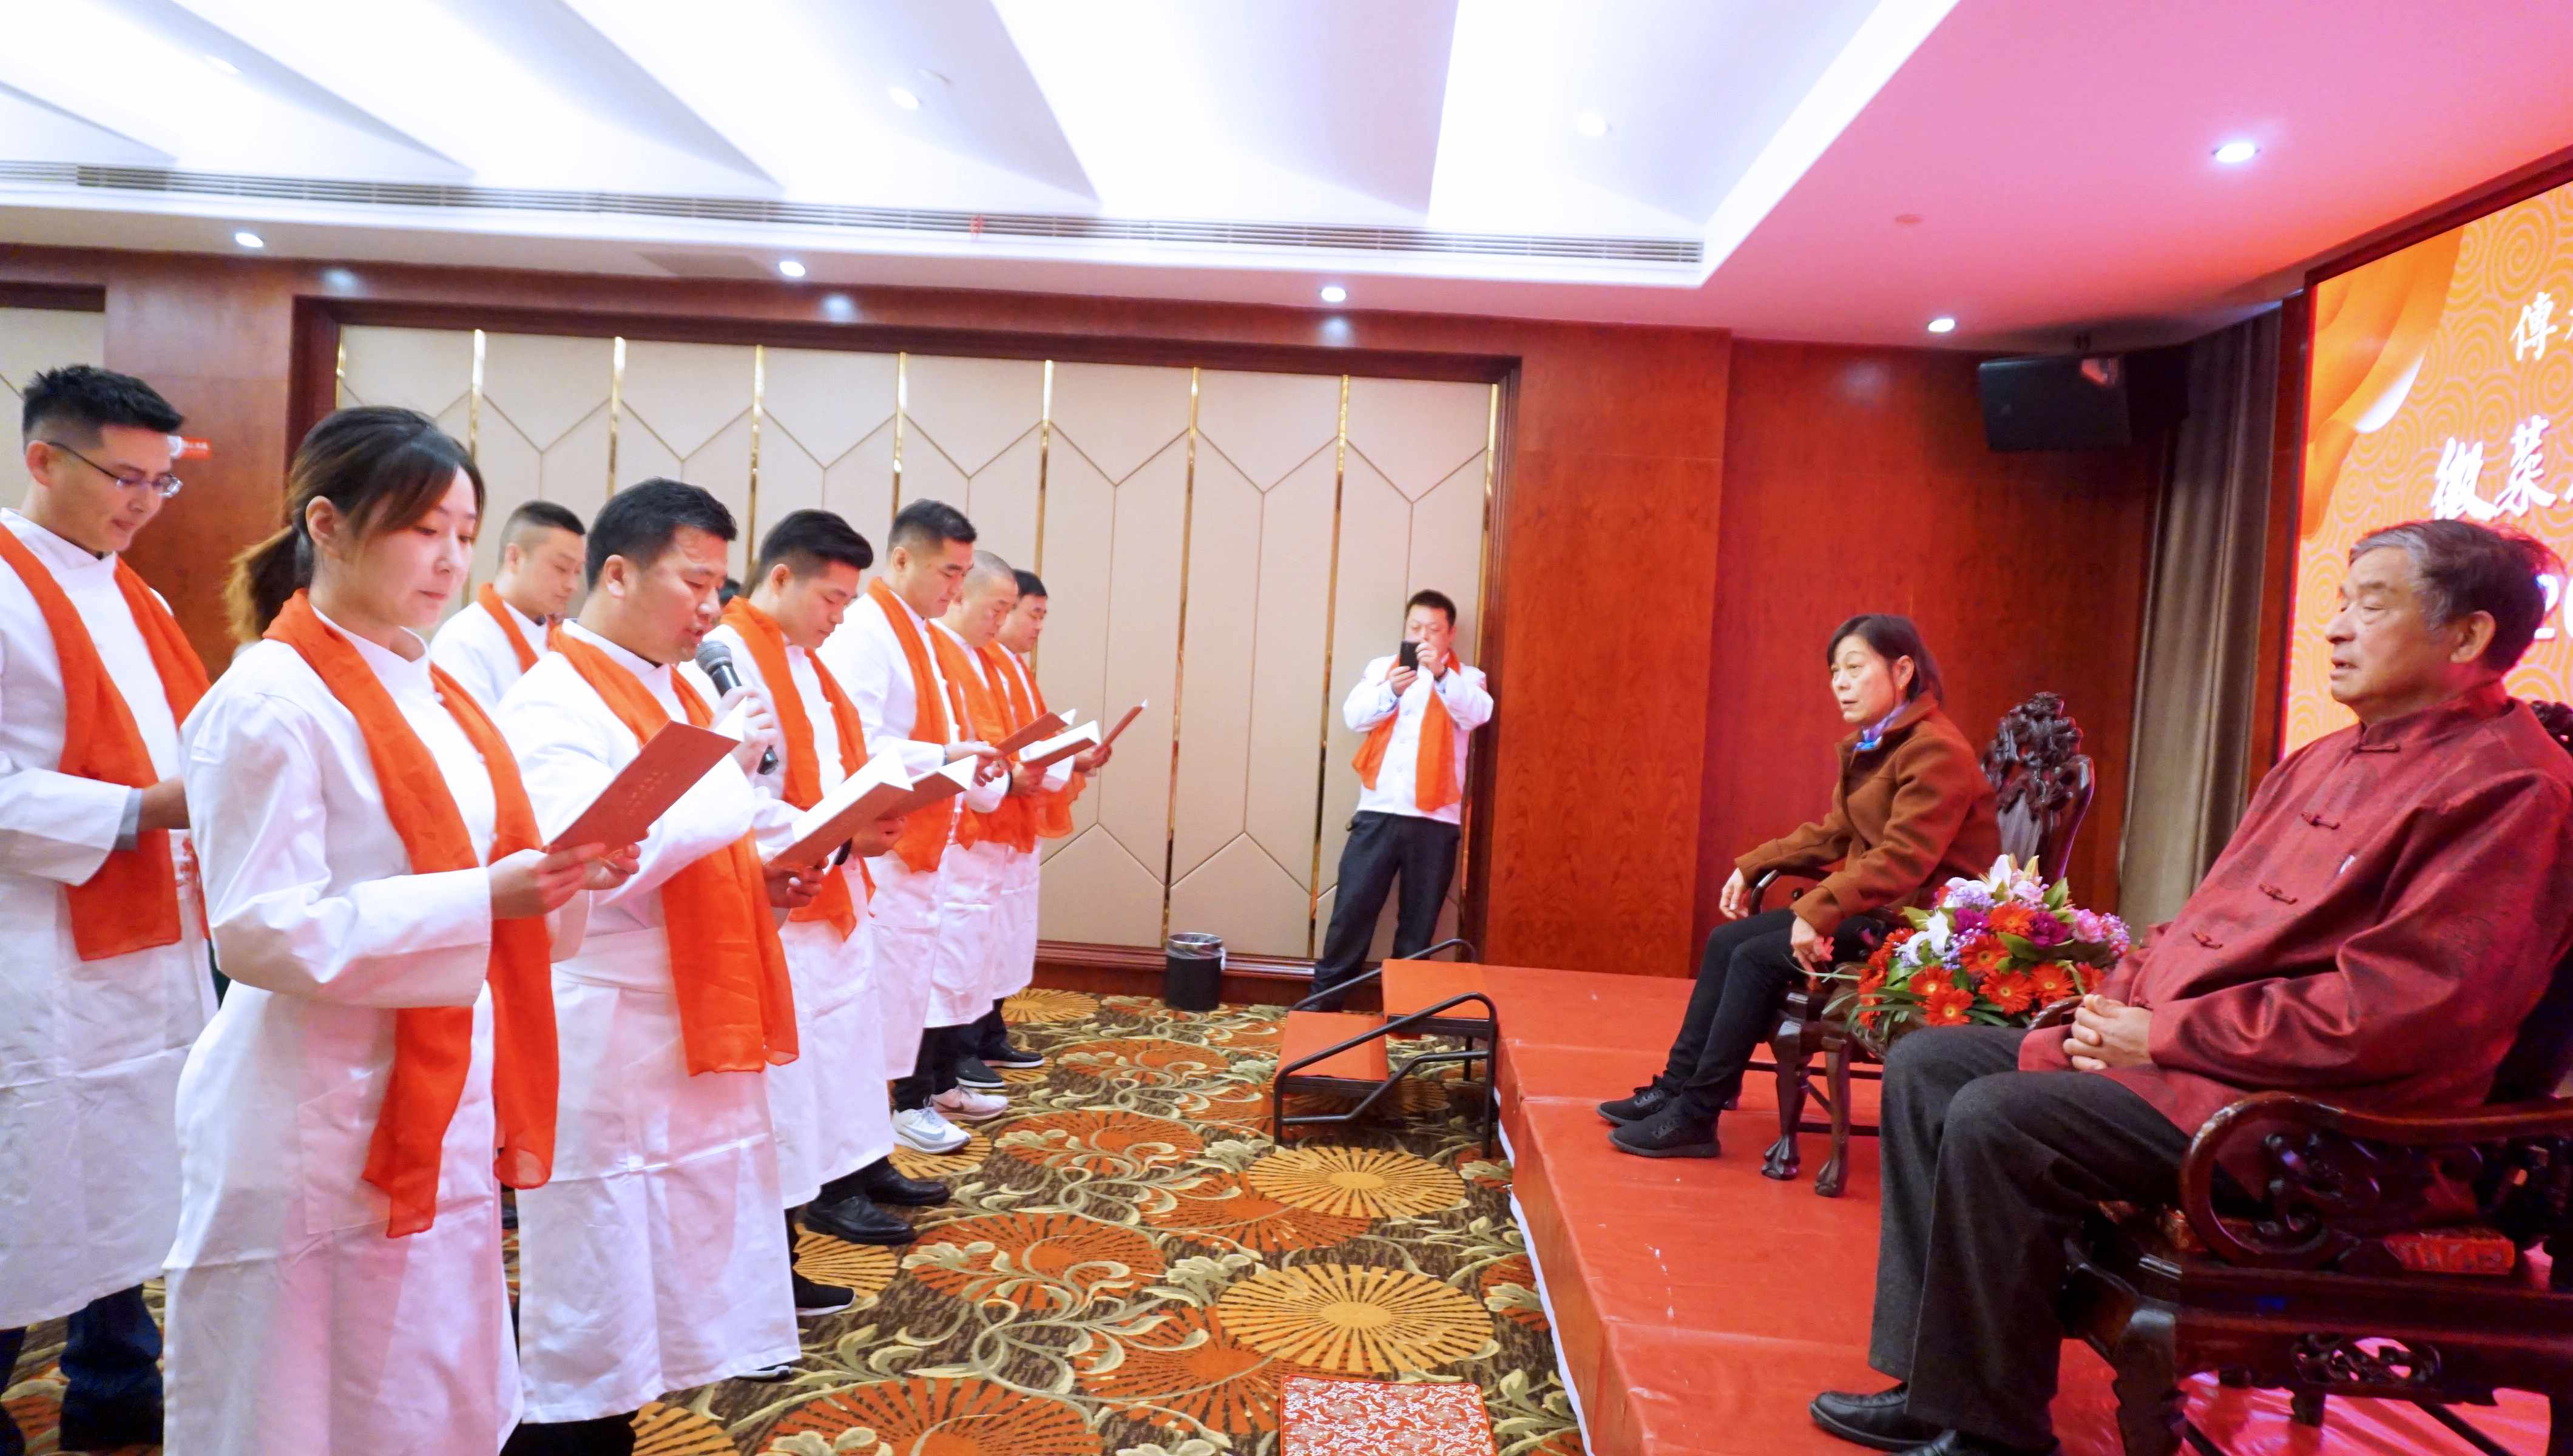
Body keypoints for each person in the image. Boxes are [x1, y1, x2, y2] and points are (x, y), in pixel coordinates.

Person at [1810, 521, 2573, 1456]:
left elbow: (2400, 1015)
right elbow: (2201, 919)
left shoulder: (2513, 789)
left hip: (2320, 1121)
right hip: (2203, 1068)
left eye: (2370, 606)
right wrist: (2115, 1007)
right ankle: (1939, 1387)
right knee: (1931, 1063)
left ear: (2468, 635)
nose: (2335, 628)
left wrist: (2163, 1035)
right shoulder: (2324, 758)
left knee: (2001, 1117)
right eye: (2340, 602)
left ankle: (1988, 1435)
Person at [166, 406, 634, 1455]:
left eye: (464, 533)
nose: (451, 559)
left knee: (419, 1377)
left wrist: (566, 876)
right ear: (327, 525)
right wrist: (484, 899)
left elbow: (485, 865)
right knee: (297, 1394)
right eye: (424, 530)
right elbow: (259, 930)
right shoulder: (270, 700)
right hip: (312, 1102)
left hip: (436, 1077)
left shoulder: (434, 689)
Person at [495, 479, 804, 1456]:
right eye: (695, 582)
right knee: (597, 1253)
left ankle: (618, 1416)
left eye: (720, 586)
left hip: (686, 1002)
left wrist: (771, 867)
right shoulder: (552, 699)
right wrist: (725, 774)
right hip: (607, 1020)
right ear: (620, 574)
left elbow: (708, 833)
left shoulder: (680, 687)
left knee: (669, 1246)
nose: (712, 609)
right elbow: (591, 855)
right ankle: (565, 1433)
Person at [0, 366, 213, 1455]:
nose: (144, 503)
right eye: (126, 477)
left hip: (146, 944)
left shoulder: (142, 599)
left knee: (134, 1173)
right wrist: (145, 808)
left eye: (160, 482)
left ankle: (115, 1381)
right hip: (32, 946)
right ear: (43, 459)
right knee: (28, 1187)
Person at [1603, 613, 1999, 1158]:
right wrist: (1753, 864)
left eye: (1854, 668)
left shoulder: (1936, 751)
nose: (1840, 683)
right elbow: (1837, 832)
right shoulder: (1883, 742)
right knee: (1726, 941)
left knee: (1755, 959)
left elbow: (1904, 860)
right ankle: (1675, 1089)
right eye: (1835, 671)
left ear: (1903, 670)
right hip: (1878, 907)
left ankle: (1696, 1115)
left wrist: (1819, 909)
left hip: (1919, 927)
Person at [705, 508, 947, 1264]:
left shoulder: (807, 660)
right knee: (797, 1073)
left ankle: (857, 1168)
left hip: (837, 885)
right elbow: (742, 801)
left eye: (848, 601)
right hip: (785, 898)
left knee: (847, 1046)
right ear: (781, 578)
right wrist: (845, 837)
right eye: (832, 599)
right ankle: (811, 1208)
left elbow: (844, 767)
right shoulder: (728, 660)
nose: (840, 617)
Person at [816, 498, 1004, 1156]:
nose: (956, 588)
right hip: (883, 848)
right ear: (901, 560)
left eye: (964, 574)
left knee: (910, 988)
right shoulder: (868, 631)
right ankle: (883, 1123)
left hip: (925, 836)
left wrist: (959, 758)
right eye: (948, 572)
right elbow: (857, 743)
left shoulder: (917, 633)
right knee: (880, 995)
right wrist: (946, 756)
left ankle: (900, 1111)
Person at [1307, 589, 1493, 1008]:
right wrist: (1390, 690)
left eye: (1433, 629)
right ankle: (1322, 1005)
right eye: (1415, 627)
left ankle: (1404, 1014)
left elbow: (1478, 714)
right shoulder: (1382, 669)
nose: (1423, 636)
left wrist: (1441, 674)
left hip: (1436, 820)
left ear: (1450, 634)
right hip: (1378, 812)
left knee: (1418, 925)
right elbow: (1354, 718)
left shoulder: (1468, 678)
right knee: (1352, 912)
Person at [976, 568, 1115, 1071]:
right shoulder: (979, 663)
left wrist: (1073, 758)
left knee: (1006, 935)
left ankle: (990, 1033)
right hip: (983, 820)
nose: (1038, 627)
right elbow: (990, 746)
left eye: (1043, 617)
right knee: (977, 940)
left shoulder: (1014, 668)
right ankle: (961, 1050)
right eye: (1032, 615)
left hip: (1016, 817)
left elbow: (1031, 744)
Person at [931, 551, 1053, 1103]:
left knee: (990, 943)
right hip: (957, 828)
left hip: (996, 816)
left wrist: (1054, 763)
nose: (1004, 622)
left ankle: (972, 1048)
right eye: (1000, 609)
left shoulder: (991, 661)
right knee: (952, 954)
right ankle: (941, 1072)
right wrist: (1006, 780)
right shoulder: (942, 652)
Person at [429, 499, 584, 706]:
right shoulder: (465, 641)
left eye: (577, 572)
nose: (572, 585)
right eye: (561, 568)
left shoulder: (561, 639)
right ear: (515, 558)